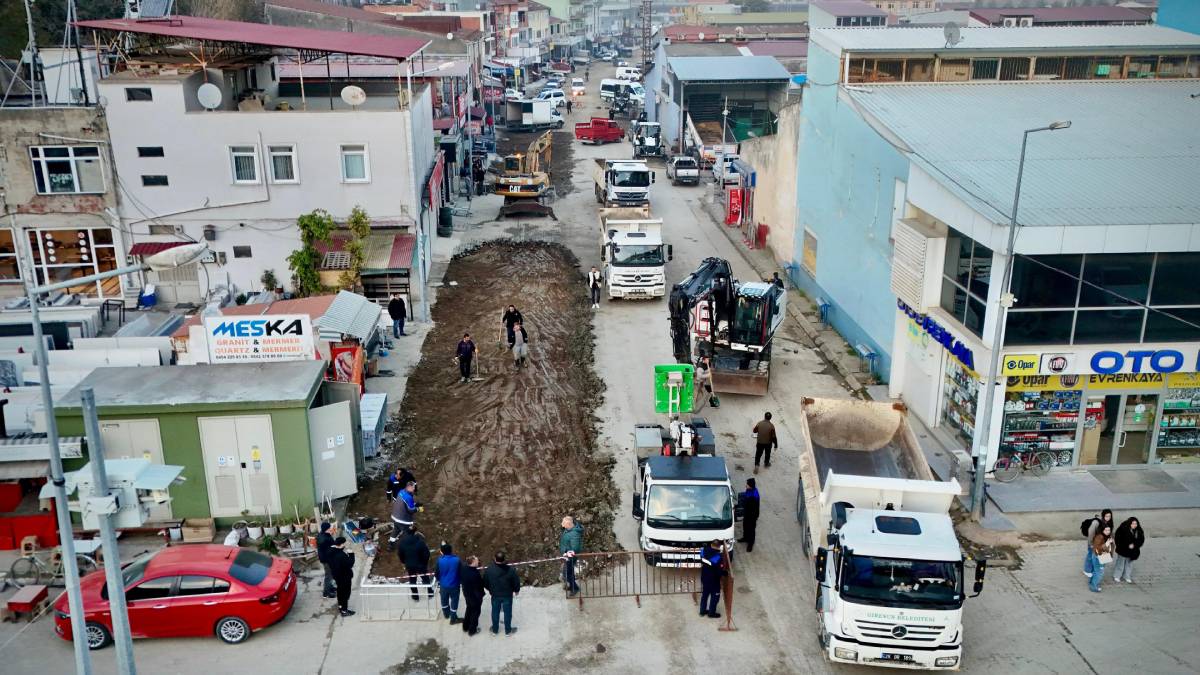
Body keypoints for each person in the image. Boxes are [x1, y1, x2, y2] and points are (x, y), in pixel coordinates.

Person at [483, 551, 521, 635]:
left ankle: (495, 630)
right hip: (507, 595)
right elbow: (516, 581)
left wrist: (490, 590)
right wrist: (516, 590)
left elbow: (485, 582)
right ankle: (508, 631)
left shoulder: (489, 569)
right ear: (504, 559)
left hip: (495, 595)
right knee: (508, 613)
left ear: (495, 558)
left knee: (495, 612)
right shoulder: (511, 570)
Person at [398, 529, 435, 602]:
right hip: (420, 564)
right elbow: (427, 554)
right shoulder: (420, 542)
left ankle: (415, 596)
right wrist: (424, 563)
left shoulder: (402, 543)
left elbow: (400, 554)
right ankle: (430, 593)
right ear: (415, 533)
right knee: (425, 578)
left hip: (410, 565)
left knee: (412, 580)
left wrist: (404, 562)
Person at [328, 536, 356, 616]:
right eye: (344, 543)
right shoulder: (341, 555)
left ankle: (340, 606)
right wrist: (351, 554)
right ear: (342, 544)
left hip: (337, 575)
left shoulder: (331, 551)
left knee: (340, 591)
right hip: (344, 576)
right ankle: (344, 610)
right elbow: (350, 564)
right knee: (345, 593)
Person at [698, 540, 726, 618]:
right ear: (719, 546)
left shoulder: (703, 551)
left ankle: (702, 611)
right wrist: (724, 573)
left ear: (711, 544)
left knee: (705, 595)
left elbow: (702, 560)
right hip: (714, 581)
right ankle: (711, 613)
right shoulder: (718, 558)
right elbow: (718, 572)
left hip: (704, 577)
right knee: (715, 596)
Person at [1112, 517, 1144, 583]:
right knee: (1120, 563)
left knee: (1129, 564)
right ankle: (1117, 576)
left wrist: (1134, 545)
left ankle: (1127, 576)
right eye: (1133, 524)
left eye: (1136, 524)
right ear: (1129, 524)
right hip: (1123, 550)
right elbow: (1117, 539)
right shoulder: (1122, 529)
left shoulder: (1139, 531)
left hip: (1133, 551)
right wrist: (1125, 546)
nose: (1134, 525)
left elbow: (1141, 540)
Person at [436, 543, 462, 623]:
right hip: (454, 585)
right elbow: (461, 572)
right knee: (454, 601)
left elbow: (437, 573)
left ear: (442, 552)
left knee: (444, 600)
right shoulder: (457, 560)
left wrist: (439, 580)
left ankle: (446, 614)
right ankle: (453, 618)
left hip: (443, 585)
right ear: (451, 550)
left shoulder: (439, 560)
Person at [1083, 508, 1114, 575]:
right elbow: (1090, 533)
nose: (1108, 518)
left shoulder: (1109, 523)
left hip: (1101, 543)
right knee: (1090, 555)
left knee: (1097, 555)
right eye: (1106, 516)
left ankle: (1096, 568)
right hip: (1093, 542)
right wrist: (1091, 544)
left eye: (1109, 516)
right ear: (1103, 516)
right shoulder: (1096, 522)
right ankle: (1087, 570)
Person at [459, 555, 485, 636]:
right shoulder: (475, 574)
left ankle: (465, 626)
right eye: (477, 561)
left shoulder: (464, 568)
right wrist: (481, 595)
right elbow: (480, 586)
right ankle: (472, 630)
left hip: (467, 594)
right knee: (475, 613)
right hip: (475, 597)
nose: (478, 562)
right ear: (473, 562)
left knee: (469, 609)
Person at [559, 516, 583, 596]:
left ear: (569, 524)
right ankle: (572, 586)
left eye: (564, 524)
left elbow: (575, 548)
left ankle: (575, 588)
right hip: (567, 556)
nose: (562, 525)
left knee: (568, 573)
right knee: (567, 572)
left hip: (571, 558)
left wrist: (567, 553)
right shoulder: (569, 530)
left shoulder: (574, 534)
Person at [1085, 524, 1113, 593]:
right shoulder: (1099, 537)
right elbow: (1098, 548)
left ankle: (1091, 583)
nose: (1108, 531)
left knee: (1096, 571)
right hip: (1098, 557)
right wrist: (1107, 543)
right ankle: (1093, 587)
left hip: (1103, 556)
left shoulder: (1108, 536)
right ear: (1102, 530)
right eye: (1106, 530)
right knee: (1099, 572)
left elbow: (1111, 547)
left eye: (1109, 530)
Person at [737, 478, 760, 552]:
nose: (745, 485)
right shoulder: (749, 490)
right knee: (745, 525)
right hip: (747, 513)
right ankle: (745, 538)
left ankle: (750, 543)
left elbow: (753, 508)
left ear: (750, 486)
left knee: (751, 529)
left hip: (752, 515)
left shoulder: (754, 495)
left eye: (747, 484)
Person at [316, 522, 337, 599]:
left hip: (327, 558)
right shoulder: (323, 539)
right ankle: (326, 593)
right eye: (329, 528)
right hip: (327, 560)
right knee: (329, 576)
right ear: (326, 529)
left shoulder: (324, 534)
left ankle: (330, 587)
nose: (331, 529)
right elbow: (329, 550)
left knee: (330, 575)